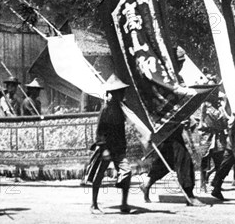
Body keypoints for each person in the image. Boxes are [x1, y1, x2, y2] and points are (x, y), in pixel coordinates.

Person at [86, 74, 132, 214]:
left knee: (127, 172)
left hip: (118, 147)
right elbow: (100, 131)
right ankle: (93, 204)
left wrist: (123, 147)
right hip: (106, 147)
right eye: (120, 92)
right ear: (113, 93)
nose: (122, 94)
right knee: (98, 175)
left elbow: (121, 130)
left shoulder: (120, 108)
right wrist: (104, 148)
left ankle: (124, 203)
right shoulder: (105, 109)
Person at [141, 122, 205, 206]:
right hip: (166, 134)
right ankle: (189, 196)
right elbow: (154, 117)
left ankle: (146, 185)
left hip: (173, 134)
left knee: (165, 163)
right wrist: (173, 121)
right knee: (185, 161)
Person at [198, 90, 228, 192]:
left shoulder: (220, 107)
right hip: (207, 136)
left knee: (220, 161)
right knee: (205, 161)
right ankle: (202, 184)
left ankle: (216, 183)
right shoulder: (204, 105)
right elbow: (200, 122)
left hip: (219, 136)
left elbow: (224, 122)